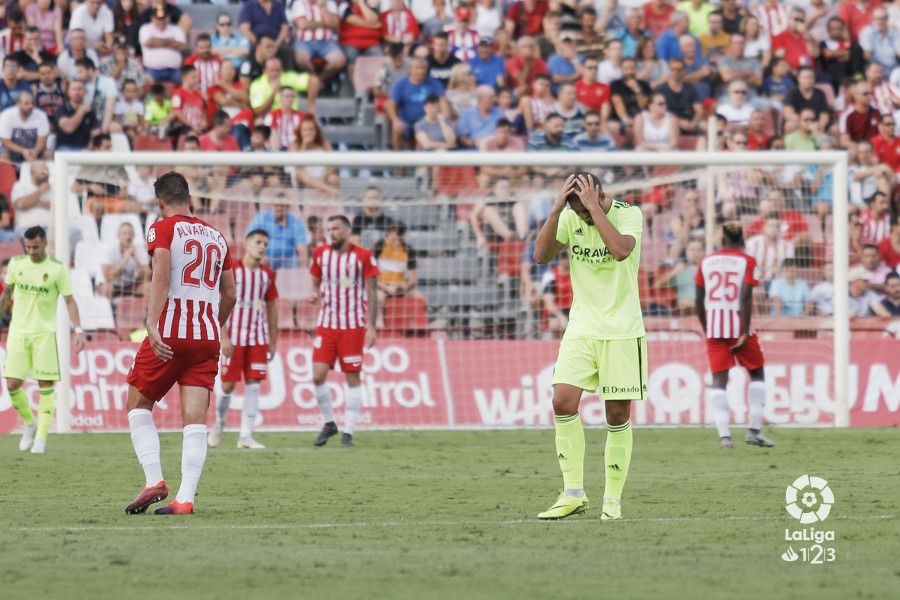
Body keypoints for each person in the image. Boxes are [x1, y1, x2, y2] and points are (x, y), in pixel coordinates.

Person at [532, 173, 646, 521]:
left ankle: (612, 500)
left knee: (617, 415)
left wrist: (594, 209)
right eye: (576, 210)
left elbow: (621, 250)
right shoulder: (568, 215)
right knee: (562, 400)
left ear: (599, 194)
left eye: (584, 208)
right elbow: (540, 256)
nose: (580, 216)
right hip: (581, 327)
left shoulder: (629, 214)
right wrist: (555, 211)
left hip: (622, 330)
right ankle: (573, 493)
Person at [124, 172, 237, 516]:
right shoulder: (218, 236)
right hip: (206, 336)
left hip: (171, 332)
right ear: (190, 198)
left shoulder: (162, 229)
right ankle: (185, 499)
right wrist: (210, 326)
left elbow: (162, 274)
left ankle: (154, 480)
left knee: (137, 403)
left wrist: (152, 323)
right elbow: (230, 294)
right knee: (195, 420)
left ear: (160, 203)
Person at [0, 226, 85, 454]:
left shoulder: (57, 269)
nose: (32, 251)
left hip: (44, 335)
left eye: (35, 247)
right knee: (11, 385)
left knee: (45, 386)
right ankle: (30, 423)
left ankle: (41, 439)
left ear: (45, 243)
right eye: (28, 247)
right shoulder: (17, 264)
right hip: (18, 334)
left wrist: (78, 329)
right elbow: (7, 294)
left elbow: (69, 300)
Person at [695, 221, 774, 449]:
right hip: (740, 327)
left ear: (722, 240)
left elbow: (698, 301)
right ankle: (754, 431)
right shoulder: (747, 261)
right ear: (742, 240)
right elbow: (746, 297)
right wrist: (742, 332)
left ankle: (724, 436)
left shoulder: (706, 261)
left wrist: (706, 327)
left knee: (719, 381)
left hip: (715, 328)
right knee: (757, 374)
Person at [308, 215, 378, 448]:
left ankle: (348, 432)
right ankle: (329, 423)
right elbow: (315, 281)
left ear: (347, 231)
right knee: (317, 375)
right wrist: (313, 293)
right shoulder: (320, 254)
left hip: (353, 326)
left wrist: (372, 325)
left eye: (336, 228)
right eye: (329, 229)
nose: (331, 232)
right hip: (327, 325)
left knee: (352, 377)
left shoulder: (363, 256)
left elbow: (372, 292)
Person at [209, 229, 279, 450]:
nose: (262, 247)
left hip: (258, 338)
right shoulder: (233, 271)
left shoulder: (267, 274)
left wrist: (273, 340)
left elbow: (272, 308)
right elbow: (216, 302)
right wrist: (224, 336)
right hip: (234, 338)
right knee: (228, 385)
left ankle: (246, 436)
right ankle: (219, 423)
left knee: (254, 385)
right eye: (258, 242)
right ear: (247, 244)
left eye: (265, 243)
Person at [246, 193, 309, 269]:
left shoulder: (296, 223)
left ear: (288, 207)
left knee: (295, 262)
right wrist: (258, 254)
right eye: (276, 205)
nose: (279, 208)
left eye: (282, 205)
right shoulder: (262, 218)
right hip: (266, 257)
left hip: (288, 259)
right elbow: (248, 238)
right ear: (273, 206)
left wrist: (303, 270)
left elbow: (302, 248)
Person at [291, 0, 346, 85]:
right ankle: (315, 82)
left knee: (339, 61)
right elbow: (302, 25)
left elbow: (334, 24)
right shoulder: (299, 3)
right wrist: (325, 24)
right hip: (304, 42)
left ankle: (319, 80)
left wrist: (324, 8)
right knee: (301, 60)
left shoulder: (330, 3)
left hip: (327, 42)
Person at [98, 222, 150, 298]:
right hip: (115, 285)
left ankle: (145, 309)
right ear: (118, 236)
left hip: (132, 284)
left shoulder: (139, 250)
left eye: (130, 234)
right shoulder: (110, 250)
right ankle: (110, 308)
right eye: (124, 234)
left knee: (148, 286)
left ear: (133, 236)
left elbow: (147, 276)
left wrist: (136, 259)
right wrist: (125, 260)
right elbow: (107, 276)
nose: (127, 237)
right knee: (106, 287)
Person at [0, 90, 48, 163]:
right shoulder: (6, 116)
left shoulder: (41, 115)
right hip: (12, 150)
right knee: (3, 154)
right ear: (18, 104)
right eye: (26, 104)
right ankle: (9, 174)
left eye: (32, 103)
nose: (30, 106)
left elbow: (42, 141)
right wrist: (23, 151)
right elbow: (5, 142)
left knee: (48, 153)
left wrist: (36, 151)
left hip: (33, 149)